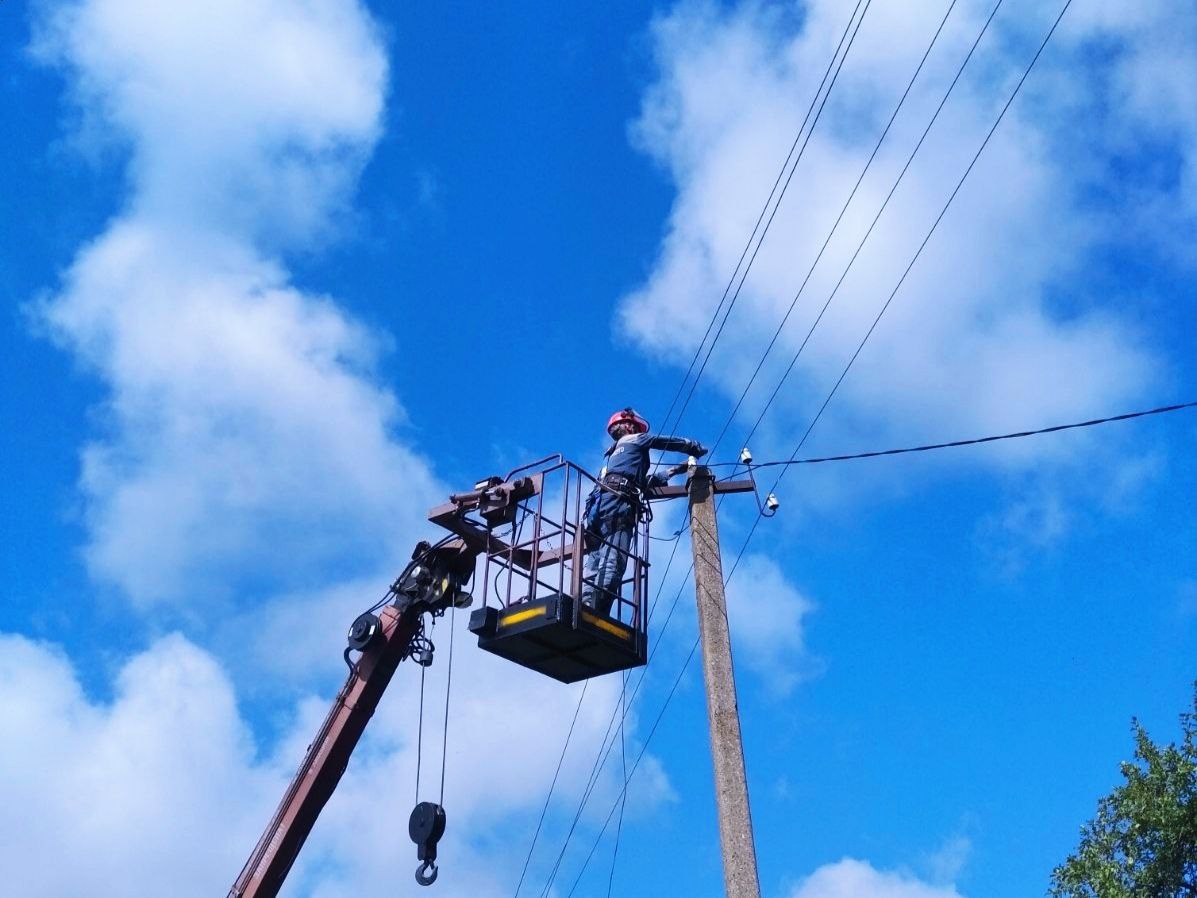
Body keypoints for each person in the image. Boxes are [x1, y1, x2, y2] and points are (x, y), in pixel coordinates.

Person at [580, 408, 707, 615]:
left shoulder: (612, 458)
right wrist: (694, 447)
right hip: (618, 507)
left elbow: (639, 483)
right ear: (630, 426)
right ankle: (595, 615)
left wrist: (673, 471)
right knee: (614, 561)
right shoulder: (636, 439)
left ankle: (584, 606)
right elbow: (668, 441)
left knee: (594, 565)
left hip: (597, 511)